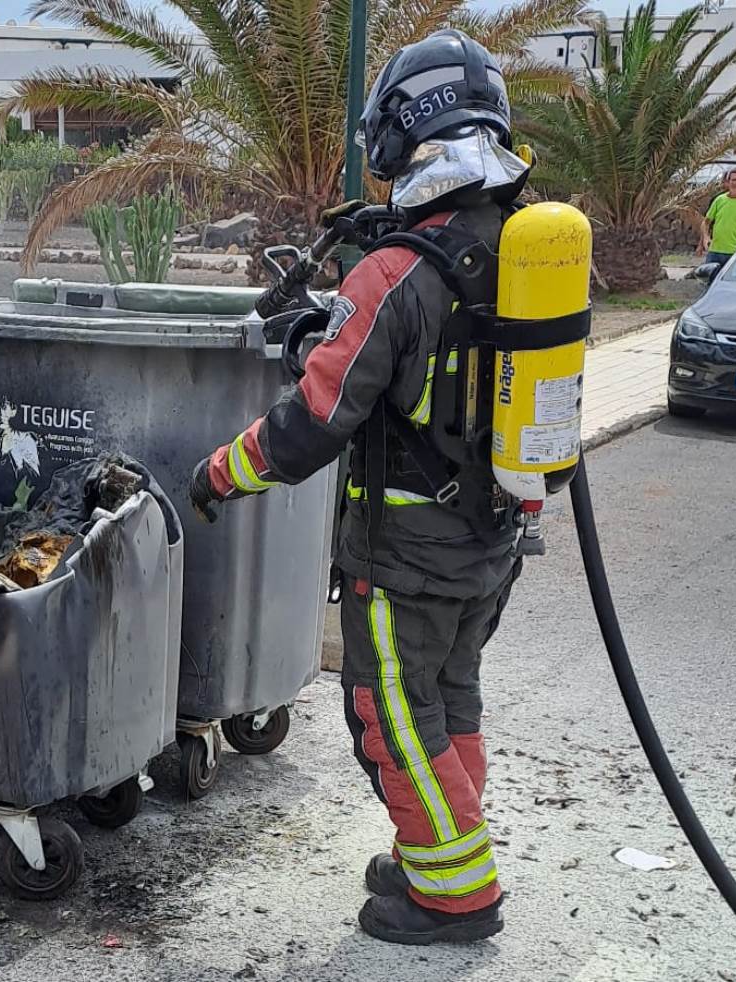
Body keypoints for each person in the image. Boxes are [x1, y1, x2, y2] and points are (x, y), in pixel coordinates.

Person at [188, 29, 533, 946]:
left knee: (395, 723)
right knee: (450, 699)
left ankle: (455, 895)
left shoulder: (395, 273)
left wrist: (220, 473)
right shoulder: (517, 252)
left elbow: (310, 428)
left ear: (399, 136)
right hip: (489, 544)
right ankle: (437, 853)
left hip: (406, 557)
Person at [701, 167, 736, 267]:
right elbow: (706, 222)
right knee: (710, 281)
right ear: (728, 183)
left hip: (735, 253)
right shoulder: (719, 200)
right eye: (732, 180)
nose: (734, 183)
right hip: (715, 251)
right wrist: (706, 238)